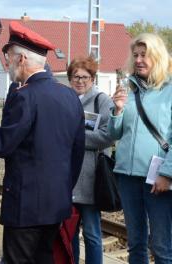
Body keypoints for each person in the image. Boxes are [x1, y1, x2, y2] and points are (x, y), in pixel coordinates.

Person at [0, 21, 85, 264]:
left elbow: (0, 144)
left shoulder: (24, 96)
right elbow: (76, 152)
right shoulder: (69, 95)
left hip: (26, 206)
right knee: (44, 258)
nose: (7, 64)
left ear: (22, 60)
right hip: (56, 203)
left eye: (8, 58)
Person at [108, 33, 172, 264]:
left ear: (158, 57)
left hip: (158, 180)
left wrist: (167, 173)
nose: (138, 60)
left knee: (162, 247)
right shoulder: (129, 91)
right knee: (135, 243)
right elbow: (113, 135)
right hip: (127, 176)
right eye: (135, 55)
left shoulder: (170, 91)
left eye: (144, 55)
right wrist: (117, 111)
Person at [67, 56, 114, 264]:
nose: (80, 81)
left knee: (92, 233)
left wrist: (76, 139)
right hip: (68, 177)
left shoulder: (101, 101)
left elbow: (108, 136)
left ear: (93, 78)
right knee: (70, 231)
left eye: (85, 77)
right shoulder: (66, 99)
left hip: (91, 178)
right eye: (75, 76)